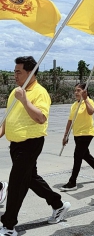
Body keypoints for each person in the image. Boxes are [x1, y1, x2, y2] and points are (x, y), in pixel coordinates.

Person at [0, 56, 71, 236]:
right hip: (15, 144)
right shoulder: (16, 91)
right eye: (14, 71)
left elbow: (40, 118)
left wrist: (24, 100)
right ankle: (58, 204)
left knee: (16, 183)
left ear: (30, 73)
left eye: (18, 72)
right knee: (30, 178)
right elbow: (7, 120)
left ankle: (8, 226)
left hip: (31, 143)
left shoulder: (40, 92)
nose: (14, 75)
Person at [60, 83, 94, 191]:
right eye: (75, 90)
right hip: (77, 134)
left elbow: (91, 112)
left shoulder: (89, 101)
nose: (76, 92)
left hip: (86, 133)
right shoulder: (74, 105)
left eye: (78, 90)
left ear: (84, 92)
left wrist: (85, 99)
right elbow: (70, 121)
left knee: (77, 155)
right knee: (85, 154)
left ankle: (72, 181)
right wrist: (65, 135)